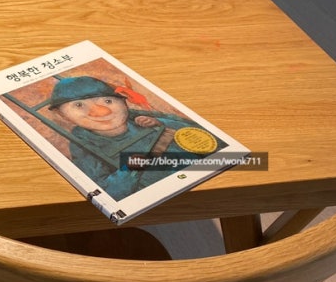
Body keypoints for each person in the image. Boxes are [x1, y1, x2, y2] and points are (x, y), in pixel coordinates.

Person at [47, 75, 218, 200]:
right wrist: (132, 167)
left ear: (123, 102)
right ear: (61, 114)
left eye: (108, 101)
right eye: (78, 105)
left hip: (210, 176)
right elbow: (107, 193)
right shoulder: (83, 145)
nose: (101, 112)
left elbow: (203, 133)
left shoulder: (138, 117)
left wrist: (160, 123)